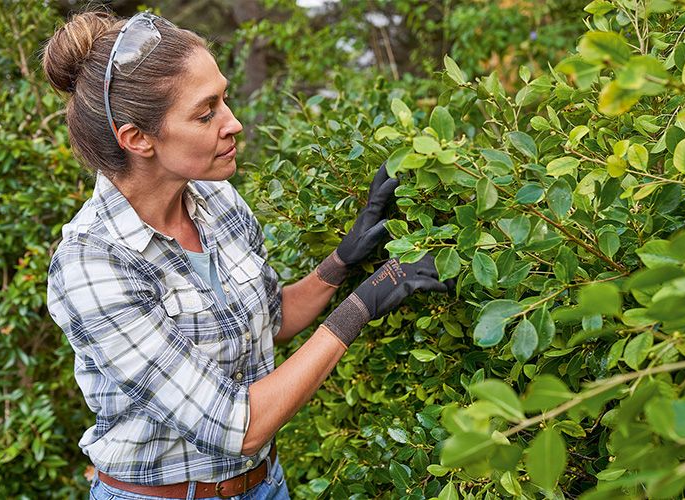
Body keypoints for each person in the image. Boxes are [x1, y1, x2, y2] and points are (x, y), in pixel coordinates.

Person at [43, 10, 451, 500]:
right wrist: (363, 304)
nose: (232, 122)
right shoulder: (93, 263)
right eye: (205, 112)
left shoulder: (215, 200)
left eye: (225, 98)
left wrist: (342, 262)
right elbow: (239, 426)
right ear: (137, 138)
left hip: (264, 484)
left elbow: (272, 320)